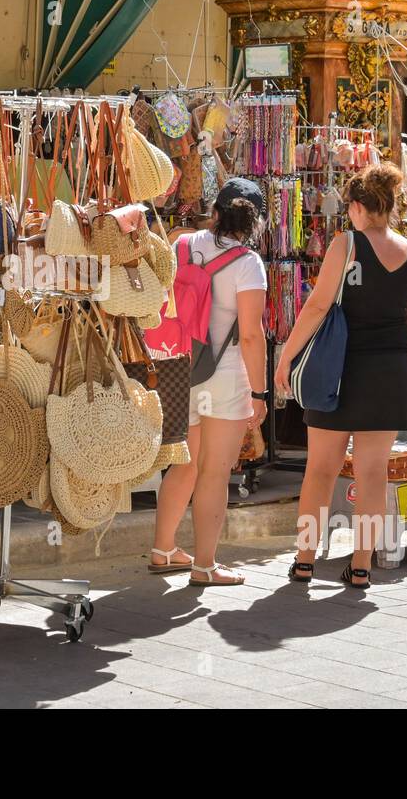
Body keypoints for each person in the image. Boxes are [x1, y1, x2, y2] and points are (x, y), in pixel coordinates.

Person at [275, 163, 407, 589]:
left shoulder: (345, 245)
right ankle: (361, 565)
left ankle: (305, 559)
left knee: (320, 471)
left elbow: (317, 307)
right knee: (373, 474)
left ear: (359, 207)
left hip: (338, 371)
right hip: (390, 373)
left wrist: (286, 357)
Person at [149, 177, 268, 587]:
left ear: (215, 212)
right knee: (214, 473)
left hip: (177, 368)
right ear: (252, 224)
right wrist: (259, 392)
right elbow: (251, 335)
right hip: (223, 373)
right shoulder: (248, 264)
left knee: (182, 464)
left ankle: (163, 549)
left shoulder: (180, 242)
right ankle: (204, 566)